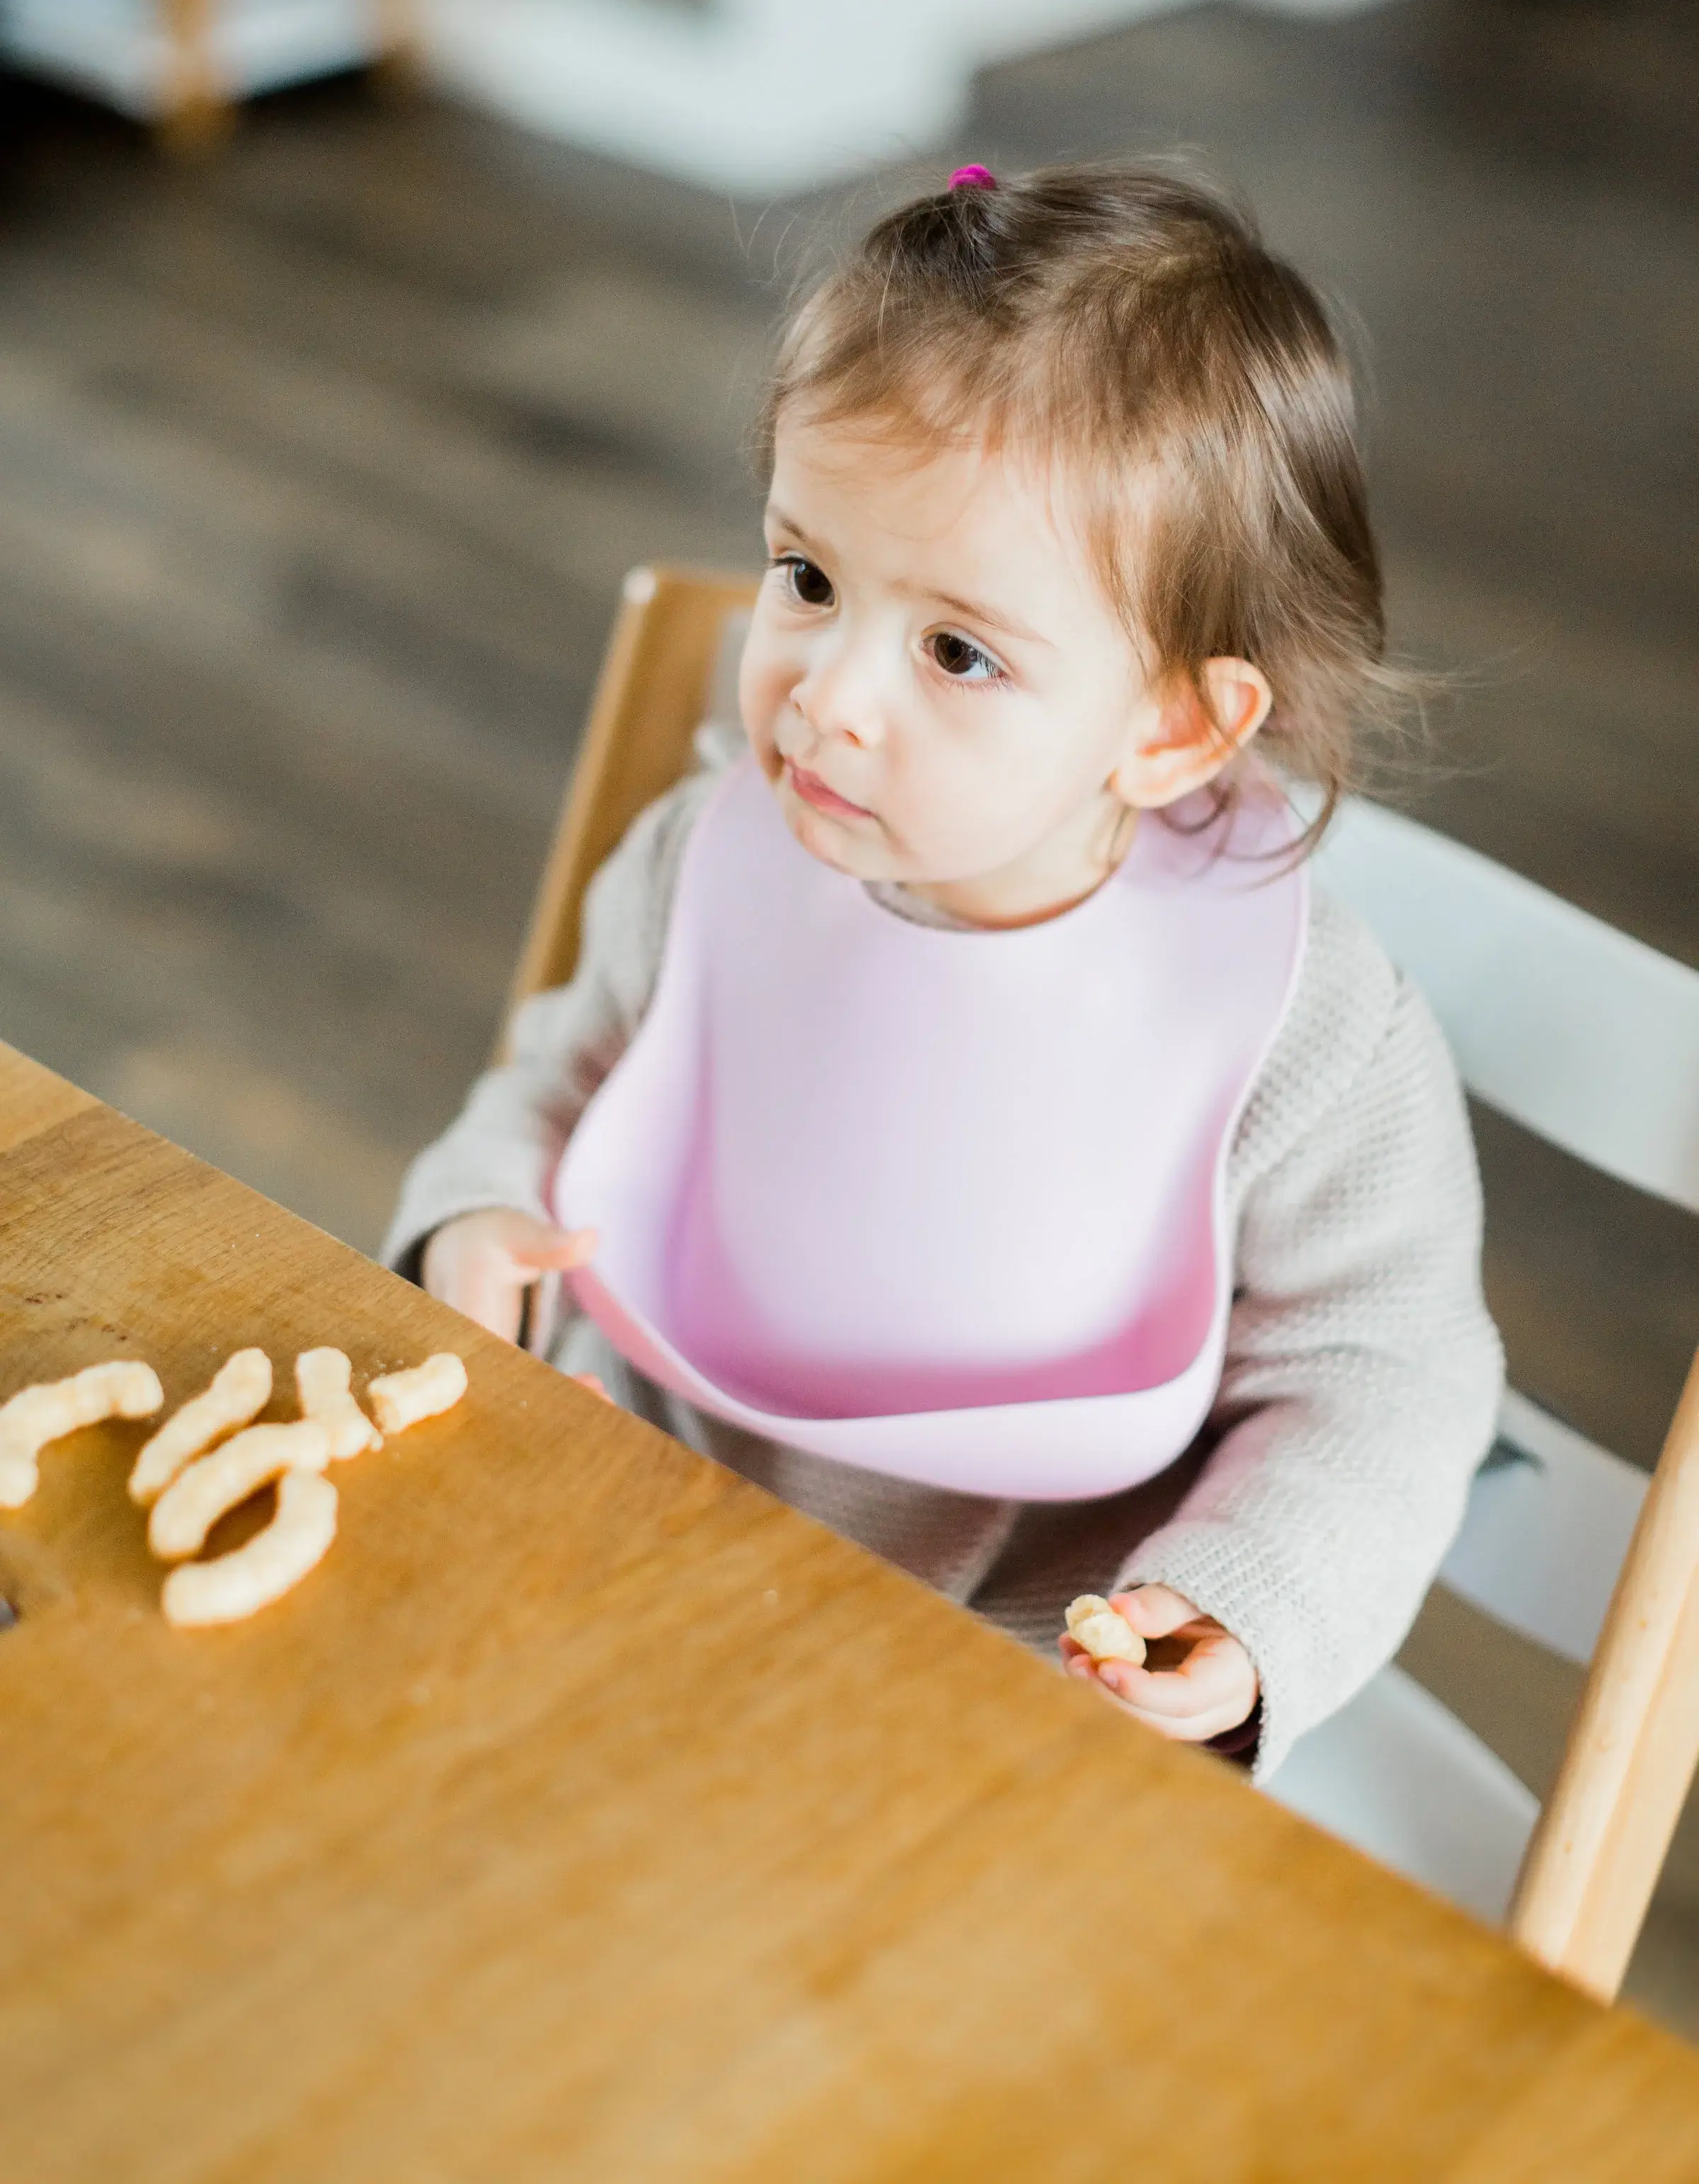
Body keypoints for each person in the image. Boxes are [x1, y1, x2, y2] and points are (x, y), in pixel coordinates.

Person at [383, 163, 1501, 1781]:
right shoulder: (708, 851)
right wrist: (477, 1213)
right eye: (809, 577)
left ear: (1172, 727)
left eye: (958, 651)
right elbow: (563, 1077)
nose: (826, 697)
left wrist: (1239, 1608)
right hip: (608, 1561)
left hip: (999, 1707)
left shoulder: (1299, 1029)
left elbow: (1381, 1376)